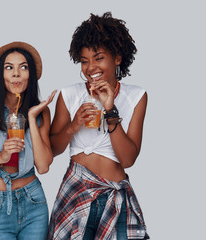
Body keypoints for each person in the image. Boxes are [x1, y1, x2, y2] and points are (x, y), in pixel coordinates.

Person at [47, 12, 150, 240]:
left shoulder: (136, 96)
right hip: (77, 190)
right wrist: (73, 126)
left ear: (118, 58)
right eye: (84, 61)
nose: (90, 67)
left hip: (116, 194)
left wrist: (110, 109)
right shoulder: (69, 94)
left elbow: (128, 160)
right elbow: (52, 150)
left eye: (98, 58)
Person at [0, 41, 56, 239]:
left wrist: (31, 118)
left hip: (33, 201)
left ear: (31, 74)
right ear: (1, 74)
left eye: (23, 67)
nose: (16, 74)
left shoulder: (41, 112)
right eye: (9, 68)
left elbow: (43, 166)